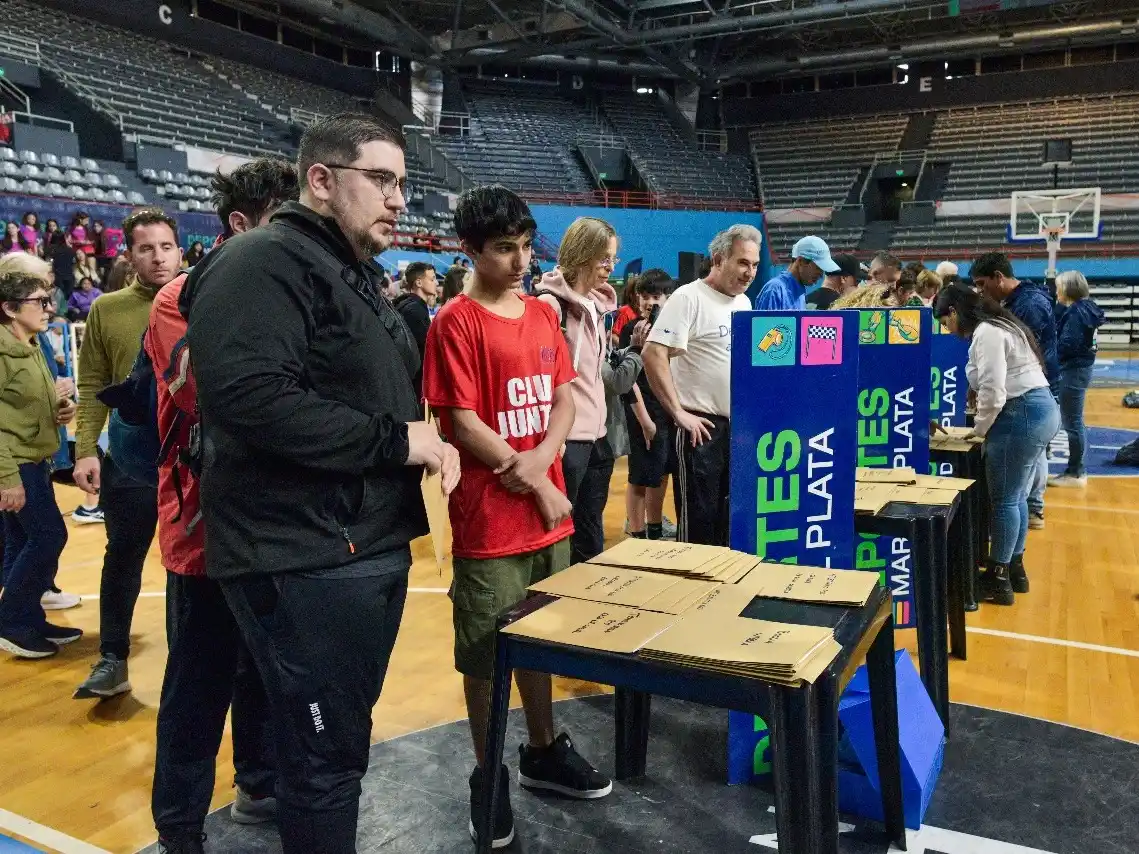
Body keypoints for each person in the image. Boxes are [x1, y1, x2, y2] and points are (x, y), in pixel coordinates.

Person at [184, 113, 457, 854]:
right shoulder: (262, 260)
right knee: (324, 764)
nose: (398, 199)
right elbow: (249, 395)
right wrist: (395, 439)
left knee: (331, 755)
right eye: (381, 180)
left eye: (402, 183)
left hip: (346, 546)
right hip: (304, 557)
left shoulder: (342, 269)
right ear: (320, 179)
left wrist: (417, 436)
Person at [423, 185, 612, 849]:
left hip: (546, 518)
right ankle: (487, 773)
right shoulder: (454, 321)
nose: (520, 260)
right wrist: (534, 479)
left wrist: (544, 464)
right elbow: (462, 422)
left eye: (527, 247)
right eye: (504, 248)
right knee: (484, 655)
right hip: (489, 523)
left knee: (540, 637)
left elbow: (564, 399)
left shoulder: (539, 314)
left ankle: (541, 748)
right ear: (470, 249)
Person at [148, 157, 297, 854]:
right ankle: (178, 829)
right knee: (197, 688)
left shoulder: (298, 290)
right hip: (204, 531)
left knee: (268, 672)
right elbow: (217, 397)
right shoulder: (178, 298)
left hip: (274, 526)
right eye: (282, 224)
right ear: (241, 225)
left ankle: (260, 782)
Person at [72, 209, 181, 700]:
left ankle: (191, 662)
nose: (157, 258)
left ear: (179, 251)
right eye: (146, 248)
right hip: (131, 459)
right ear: (130, 255)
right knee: (124, 557)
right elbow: (93, 381)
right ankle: (112, 657)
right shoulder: (107, 309)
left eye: (165, 247)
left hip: (190, 462)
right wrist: (85, 449)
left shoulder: (201, 298)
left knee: (191, 567)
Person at [934, 282, 1058, 604]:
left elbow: (992, 390)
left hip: (1021, 414)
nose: (948, 331)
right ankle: (1014, 570)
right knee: (1016, 497)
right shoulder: (1003, 324)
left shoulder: (987, 332)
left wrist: (979, 429)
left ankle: (997, 579)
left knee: (1004, 501)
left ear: (953, 312)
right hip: (1040, 410)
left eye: (945, 323)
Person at [643, 224, 759, 545]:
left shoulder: (743, 304)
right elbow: (653, 354)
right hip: (700, 429)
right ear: (718, 259)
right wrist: (678, 412)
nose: (749, 272)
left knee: (727, 523)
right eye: (742, 263)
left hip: (736, 432)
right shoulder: (687, 297)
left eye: (754, 265)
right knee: (698, 527)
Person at [0, 271, 80, 658]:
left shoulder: (30, 345)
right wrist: (7, 479)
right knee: (49, 537)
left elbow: (25, 403)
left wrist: (61, 409)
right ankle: (13, 621)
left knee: (21, 541)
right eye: (39, 302)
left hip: (35, 458)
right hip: (15, 465)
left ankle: (27, 618)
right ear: (10, 309)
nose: (49, 308)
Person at [535, 216, 620, 564]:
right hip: (567, 441)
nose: (610, 266)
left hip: (598, 438)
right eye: (603, 258)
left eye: (612, 258)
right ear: (582, 253)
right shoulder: (550, 305)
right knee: (555, 537)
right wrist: (551, 441)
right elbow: (540, 380)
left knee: (590, 534)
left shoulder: (597, 307)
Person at [970, 252, 1058, 530]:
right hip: (1034, 390)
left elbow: (1020, 355)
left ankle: (1035, 508)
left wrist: (980, 427)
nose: (981, 291)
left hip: (1032, 391)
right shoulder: (1020, 301)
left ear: (999, 277)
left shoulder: (1029, 305)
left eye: (982, 284)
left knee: (1018, 483)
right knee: (1018, 485)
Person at [620, 268, 676, 539]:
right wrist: (644, 420)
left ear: (668, 298)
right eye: (643, 296)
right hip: (641, 412)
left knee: (661, 473)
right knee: (639, 476)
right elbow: (627, 382)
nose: (648, 303)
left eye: (655, 296)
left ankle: (654, 528)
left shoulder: (671, 329)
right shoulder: (631, 330)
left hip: (667, 412)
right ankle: (637, 531)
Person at [1050, 270, 1104, 488]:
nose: (1057, 291)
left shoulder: (1076, 313)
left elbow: (1067, 345)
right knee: (1074, 420)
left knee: (1072, 422)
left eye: (1059, 287)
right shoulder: (1086, 308)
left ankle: (1075, 472)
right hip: (1080, 368)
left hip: (1073, 370)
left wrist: (1050, 356)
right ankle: (1076, 469)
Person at [756, 235, 837, 310]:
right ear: (801, 261)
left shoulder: (799, 291)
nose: (821, 275)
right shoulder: (775, 290)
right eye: (818, 267)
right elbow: (765, 325)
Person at [393, 260, 438, 376]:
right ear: (419, 283)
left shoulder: (410, 305)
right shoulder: (414, 311)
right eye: (432, 279)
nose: (436, 283)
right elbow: (424, 351)